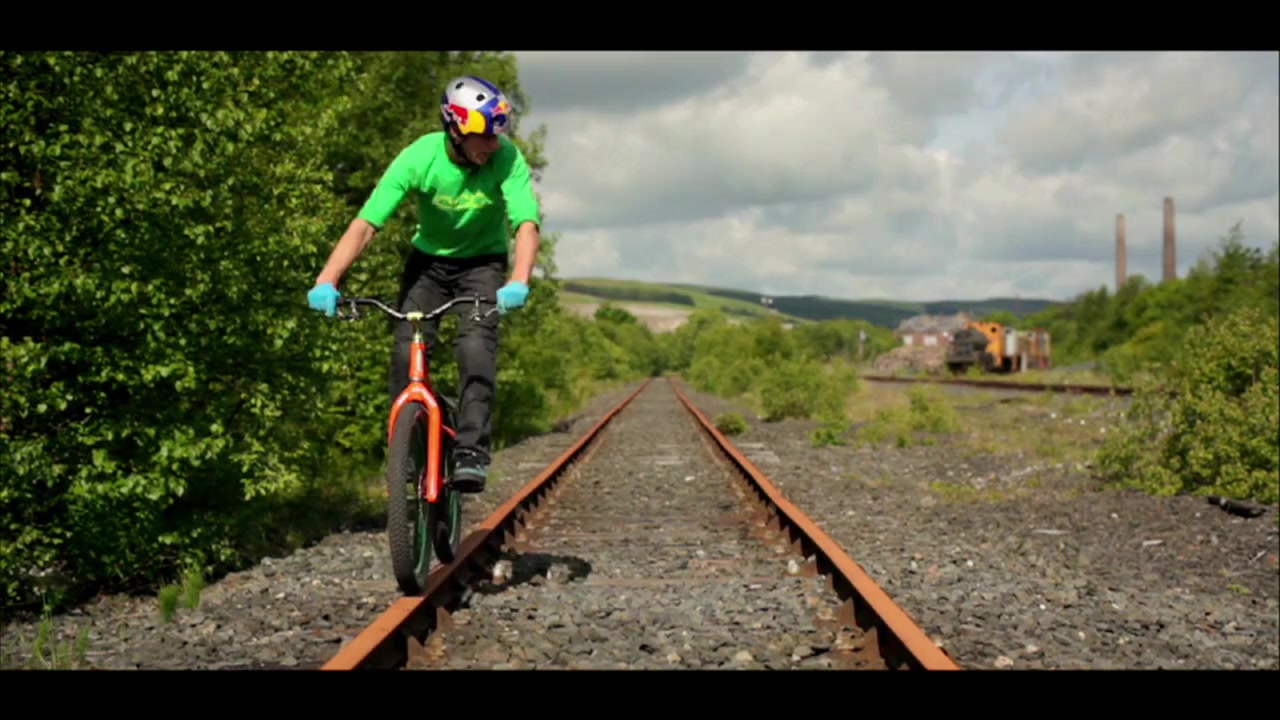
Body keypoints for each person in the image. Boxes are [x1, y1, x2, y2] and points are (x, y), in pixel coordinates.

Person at [305, 74, 542, 494]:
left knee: (474, 347)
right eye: (484, 136)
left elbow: (525, 223)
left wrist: (518, 280)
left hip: (483, 265)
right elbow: (367, 223)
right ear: (455, 130)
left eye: (497, 134)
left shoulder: (507, 158)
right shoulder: (419, 157)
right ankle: (408, 451)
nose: (493, 144)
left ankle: (471, 453)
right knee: (405, 351)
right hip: (428, 265)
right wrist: (328, 279)